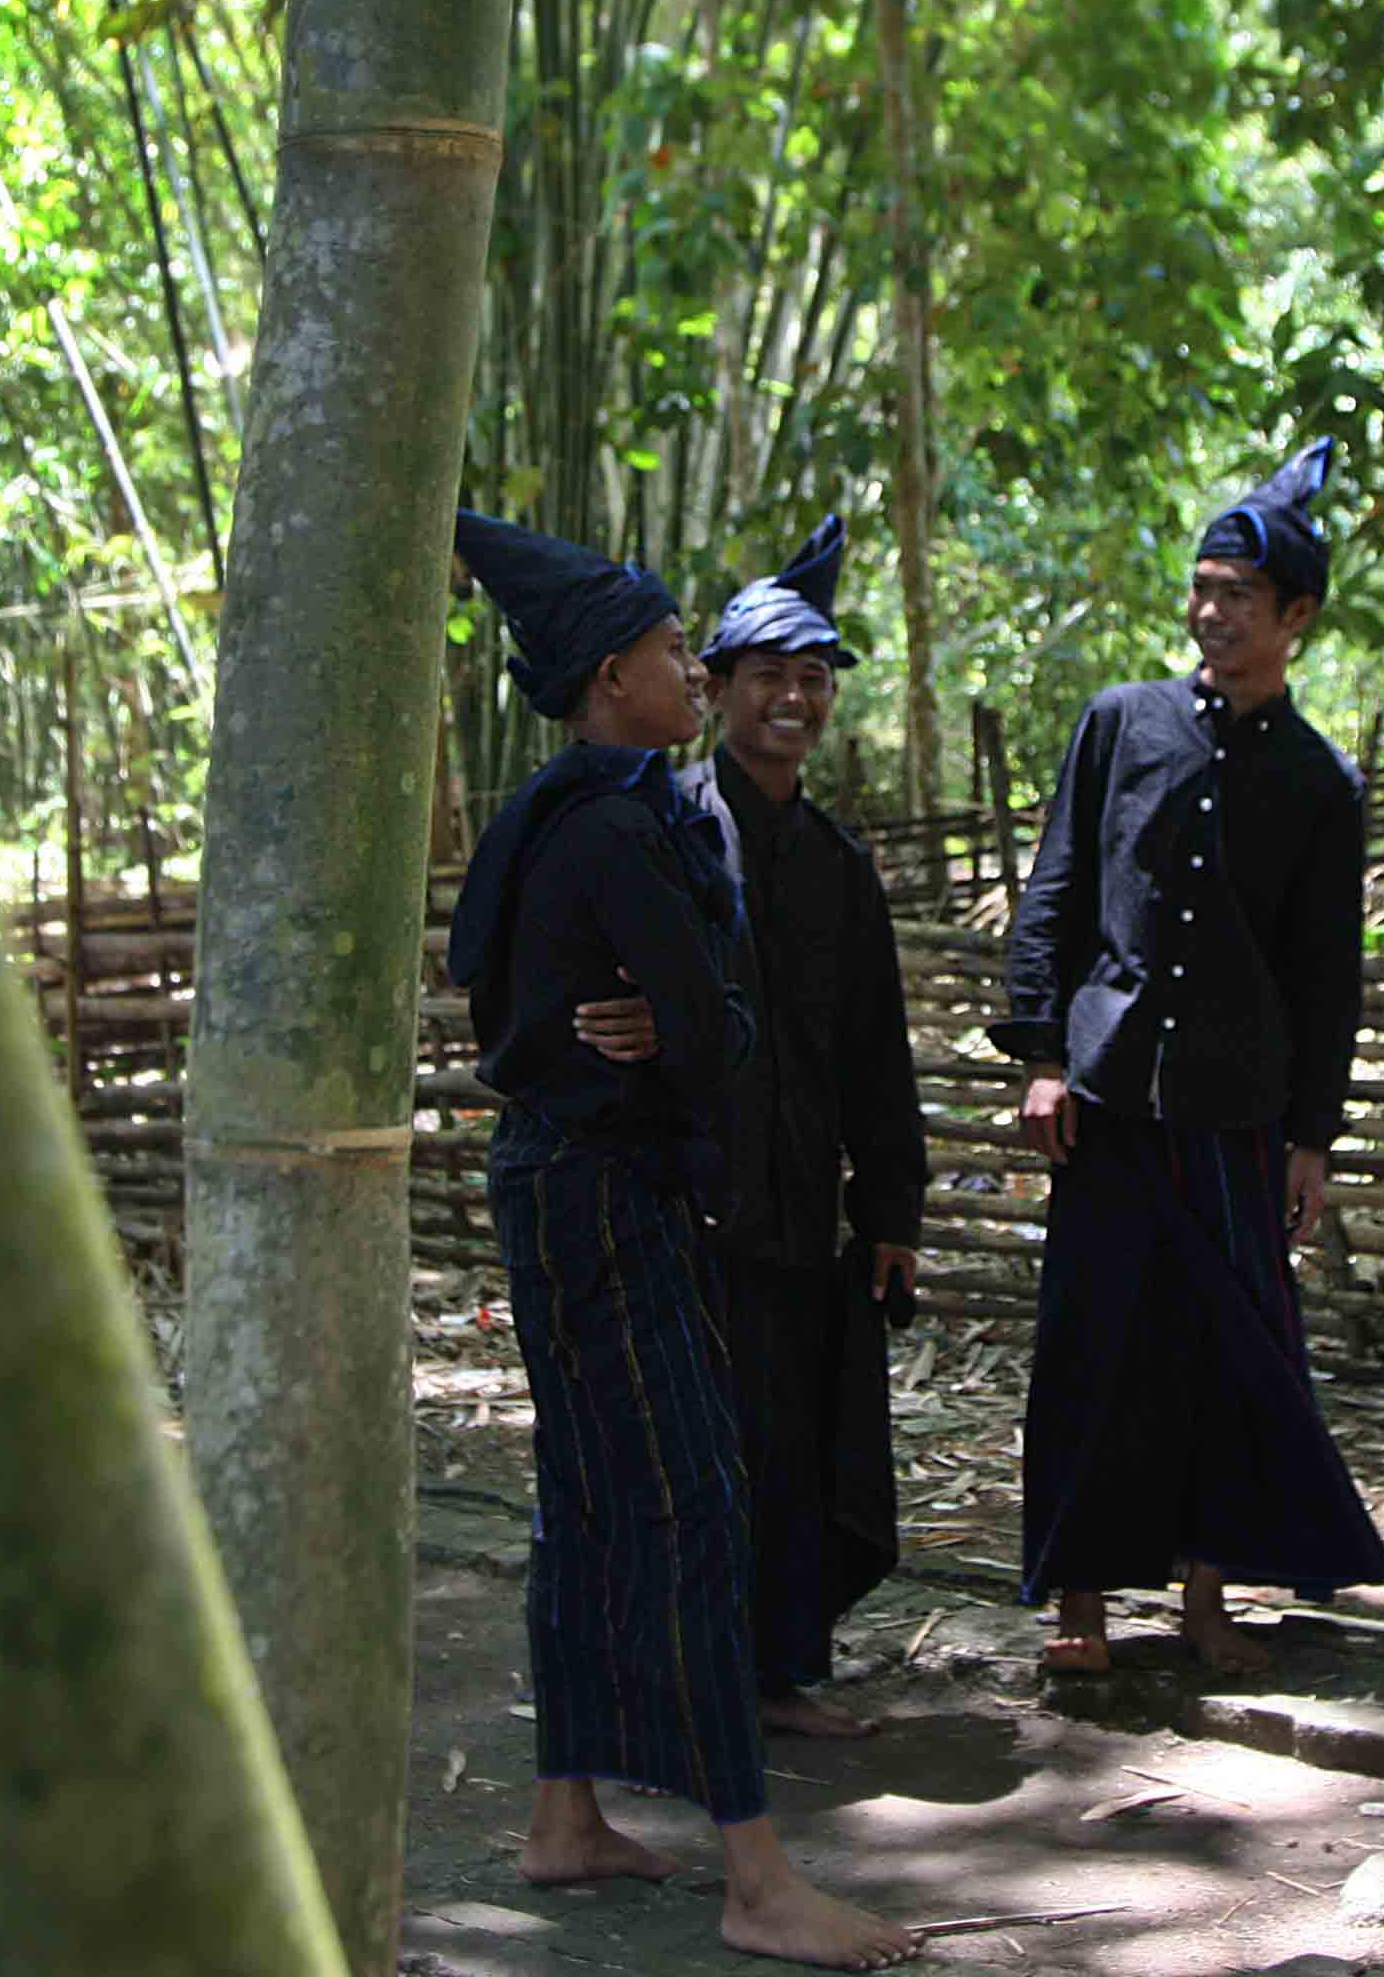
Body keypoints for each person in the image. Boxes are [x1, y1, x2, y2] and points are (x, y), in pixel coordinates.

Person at [444, 509, 916, 1972]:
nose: (692, 674)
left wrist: (656, 1029)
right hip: (610, 1201)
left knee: (586, 1501)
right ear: (606, 681)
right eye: (669, 652)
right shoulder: (615, 823)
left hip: (567, 1184)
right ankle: (757, 1874)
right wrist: (675, 1035)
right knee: (698, 1504)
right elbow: (714, 1033)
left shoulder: (580, 812)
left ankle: (563, 1816)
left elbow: (530, 1001)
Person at [991, 439, 1384, 1679]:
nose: (1212, 614)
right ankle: (1083, 1608)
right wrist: (1045, 1053)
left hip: (1234, 1112)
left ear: (1298, 617)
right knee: (1094, 1346)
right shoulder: (1122, 725)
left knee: (1228, 1356)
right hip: (1109, 1095)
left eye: (1239, 596)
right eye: (1203, 589)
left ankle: (1206, 1598)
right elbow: (1056, 889)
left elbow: (1328, 978)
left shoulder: (1322, 782)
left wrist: (1311, 1138)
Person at [584, 516, 930, 1739]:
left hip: (799, 1205)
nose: (793, 697)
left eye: (814, 676)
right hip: (683, 1200)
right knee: (688, 1446)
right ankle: (670, 1676)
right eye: (768, 674)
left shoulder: (838, 864)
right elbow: (582, 988)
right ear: (715, 687)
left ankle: (776, 1672)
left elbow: (876, 1054)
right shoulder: (659, 831)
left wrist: (890, 1211)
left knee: (794, 1443)